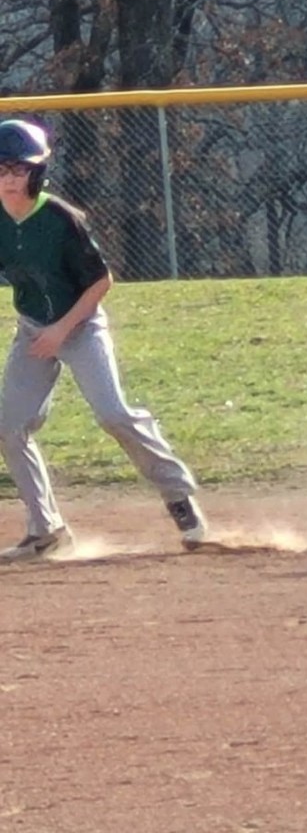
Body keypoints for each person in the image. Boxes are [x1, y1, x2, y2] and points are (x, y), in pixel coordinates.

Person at [0, 119, 209, 560]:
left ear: (37, 173)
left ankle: (178, 496)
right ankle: (46, 531)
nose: (8, 179)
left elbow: (101, 281)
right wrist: (43, 331)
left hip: (79, 326)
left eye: (18, 170)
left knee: (112, 413)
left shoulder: (61, 219)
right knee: (9, 427)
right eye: (1, 169)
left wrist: (61, 331)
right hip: (34, 330)